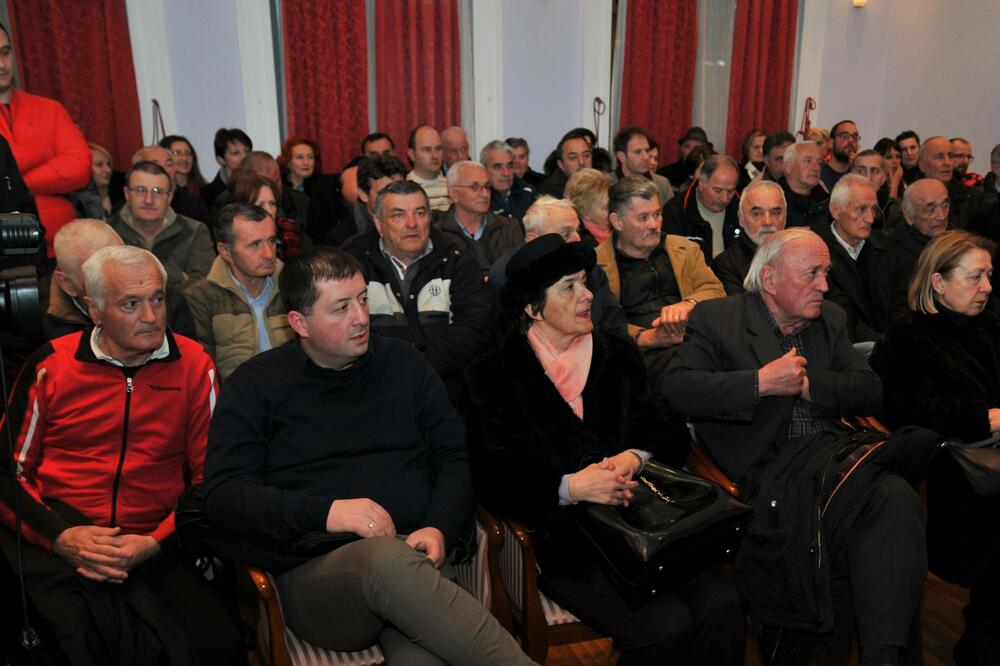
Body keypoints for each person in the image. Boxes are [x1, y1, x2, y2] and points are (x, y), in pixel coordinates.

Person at [201, 246, 533, 665]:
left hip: (418, 560)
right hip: (320, 581)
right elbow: (223, 496)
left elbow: (453, 454)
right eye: (340, 308)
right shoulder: (257, 385)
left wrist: (438, 528)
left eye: (362, 299)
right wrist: (328, 513)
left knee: (426, 657)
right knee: (383, 559)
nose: (360, 318)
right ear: (300, 322)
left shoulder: (404, 362)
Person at [664, 228, 940, 666]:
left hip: (835, 459)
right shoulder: (718, 318)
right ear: (770, 280)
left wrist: (812, 386)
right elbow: (678, 388)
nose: (825, 286)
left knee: (893, 499)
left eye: (827, 273)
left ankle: (879, 657)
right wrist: (760, 383)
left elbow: (870, 391)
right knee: (893, 497)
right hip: (767, 472)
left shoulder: (829, 318)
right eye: (812, 274)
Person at [465, 234, 744, 666]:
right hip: (568, 538)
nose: (587, 296)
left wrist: (635, 456)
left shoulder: (617, 354)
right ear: (531, 307)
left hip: (650, 519)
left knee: (722, 606)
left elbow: (666, 427)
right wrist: (570, 487)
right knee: (664, 628)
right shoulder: (494, 377)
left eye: (585, 283)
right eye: (569, 287)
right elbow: (493, 476)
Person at [0, 245, 243, 665]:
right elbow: (7, 472)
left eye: (157, 299)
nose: (151, 317)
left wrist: (152, 542)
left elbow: (215, 478)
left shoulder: (193, 364)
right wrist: (61, 537)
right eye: (131, 304)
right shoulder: (52, 367)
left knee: (215, 644)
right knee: (72, 641)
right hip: (61, 537)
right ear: (94, 310)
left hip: (155, 540)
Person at [869, 230, 1000, 665]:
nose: (987, 287)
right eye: (976, 277)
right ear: (939, 283)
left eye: (989, 276)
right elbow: (898, 408)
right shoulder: (908, 335)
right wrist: (981, 417)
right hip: (946, 473)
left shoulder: (989, 327)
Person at [342, 180, 492, 398]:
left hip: (445, 390)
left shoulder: (456, 258)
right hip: (371, 389)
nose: (412, 223)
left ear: (430, 218)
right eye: (398, 215)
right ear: (378, 223)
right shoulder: (353, 263)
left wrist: (415, 368)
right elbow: (343, 330)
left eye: (420, 213)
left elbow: (474, 329)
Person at [595, 177, 724, 376]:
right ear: (617, 221)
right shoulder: (596, 265)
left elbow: (716, 291)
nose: (654, 225)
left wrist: (687, 304)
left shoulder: (685, 249)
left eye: (657, 214)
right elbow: (598, 325)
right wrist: (649, 338)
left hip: (693, 343)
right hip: (637, 357)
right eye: (643, 218)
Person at [0, 22, 90, 257]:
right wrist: (43, 156)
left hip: (63, 251)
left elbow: (79, 167)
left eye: (5, 52)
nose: (2, 64)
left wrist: (15, 184)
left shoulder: (49, 109)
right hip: (7, 252)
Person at [488, 196, 627, 339]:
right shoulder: (506, 276)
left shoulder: (588, 266)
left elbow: (614, 323)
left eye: (577, 230)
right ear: (533, 239)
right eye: (566, 234)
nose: (577, 239)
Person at [185, 203, 292, 379]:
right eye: (255, 244)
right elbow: (204, 372)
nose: (268, 254)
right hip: (235, 400)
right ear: (226, 252)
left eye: (271, 241)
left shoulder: (292, 286)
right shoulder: (201, 297)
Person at [814, 174, 906, 343]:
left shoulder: (887, 247)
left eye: (874, 209)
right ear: (835, 210)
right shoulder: (815, 254)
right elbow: (839, 315)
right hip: (845, 350)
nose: (871, 218)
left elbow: (901, 303)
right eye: (861, 209)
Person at [107, 161, 215, 292]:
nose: (149, 200)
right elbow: (105, 289)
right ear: (126, 193)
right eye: (141, 190)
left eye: (158, 192)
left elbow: (204, 290)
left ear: (169, 197)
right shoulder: (108, 232)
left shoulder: (194, 231)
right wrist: (180, 277)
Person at [437, 160, 524, 275]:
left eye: (487, 187)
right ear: (453, 193)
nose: (485, 194)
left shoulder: (509, 227)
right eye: (475, 187)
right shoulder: (438, 233)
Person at [43, 218, 123, 339]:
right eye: (97, 271)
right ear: (67, 284)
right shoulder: (31, 325)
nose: (117, 277)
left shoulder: (151, 290)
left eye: (121, 261)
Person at [712, 180, 787, 295]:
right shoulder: (725, 266)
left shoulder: (802, 257)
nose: (767, 222)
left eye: (775, 213)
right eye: (757, 213)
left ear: (785, 217)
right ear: (741, 219)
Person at [662, 154, 740, 262]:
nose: (725, 199)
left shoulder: (741, 210)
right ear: (702, 183)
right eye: (718, 190)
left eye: (731, 191)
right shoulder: (675, 212)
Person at [218, 170, 304, 260]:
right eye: (260, 205)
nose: (269, 211)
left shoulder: (291, 232)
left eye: (272, 203)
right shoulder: (235, 243)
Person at [918, 135, 986, 230]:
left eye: (950, 156)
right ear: (922, 164)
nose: (947, 162)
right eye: (939, 157)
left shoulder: (974, 199)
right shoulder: (909, 198)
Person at [892, 178, 951, 285]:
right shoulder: (894, 254)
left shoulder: (958, 242)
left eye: (945, 206)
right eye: (930, 209)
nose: (941, 216)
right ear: (909, 215)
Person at [613, 126, 673, 206]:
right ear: (622, 157)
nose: (646, 157)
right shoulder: (606, 185)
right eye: (638, 152)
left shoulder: (662, 184)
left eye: (647, 150)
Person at [481, 139, 537, 223]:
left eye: (510, 166)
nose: (506, 173)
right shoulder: (478, 198)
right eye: (498, 167)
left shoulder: (528, 194)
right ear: (483, 169)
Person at [779, 141, 830, 228]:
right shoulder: (774, 199)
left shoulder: (826, 201)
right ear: (788, 167)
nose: (816, 168)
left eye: (819, 162)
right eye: (808, 161)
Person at [851, 149, 904, 230]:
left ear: (883, 178)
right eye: (861, 171)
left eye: (874, 171)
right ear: (851, 176)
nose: (868, 177)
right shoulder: (840, 205)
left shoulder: (891, 208)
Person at [200, 127, 252, 209]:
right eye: (235, 153)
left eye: (247, 151)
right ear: (221, 160)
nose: (244, 157)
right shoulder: (208, 194)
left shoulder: (259, 186)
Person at [564, 167, 614, 246]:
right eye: (605, 208)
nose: (613, 210)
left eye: (613, 203)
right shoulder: (579, 242)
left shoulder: (620, 229)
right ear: (585, 213)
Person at [406, 124, 450, 211]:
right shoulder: (405, 190)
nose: (434, 156)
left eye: (438, 148)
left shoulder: (452, 186)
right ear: (412, 155)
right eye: (427, 150)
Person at [538, 130, 594, 197]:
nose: (581, 162)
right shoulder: (549, 191)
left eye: (586, 155)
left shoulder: (601, 184)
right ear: (561, 165)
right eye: (573, 157)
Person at [68, 143, 116, 220]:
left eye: (109, 164)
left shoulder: (121, 193)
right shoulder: (75, 204)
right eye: (99, 165)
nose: (108, 170)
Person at [820, 120, 860, 191]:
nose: (851, 140)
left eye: (854, 137)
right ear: (831, 143)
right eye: (844, 136)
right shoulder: (818, 174)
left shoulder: (859, 176)